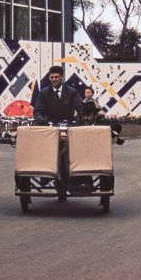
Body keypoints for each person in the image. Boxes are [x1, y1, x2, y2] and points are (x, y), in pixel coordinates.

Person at [33, 66, 81, 201]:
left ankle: (76, 176)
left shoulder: (72, 92)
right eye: (52, 77)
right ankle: (44, 175)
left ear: (62, 77)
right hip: (50, 126)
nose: (54, 79)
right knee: (44, 150)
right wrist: (42, 120)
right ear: (49, 78)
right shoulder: (44, 93)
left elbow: (80, 108)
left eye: (57, 77)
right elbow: (37, 110)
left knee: (75, 150)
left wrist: (78, 121)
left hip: (69, 125)